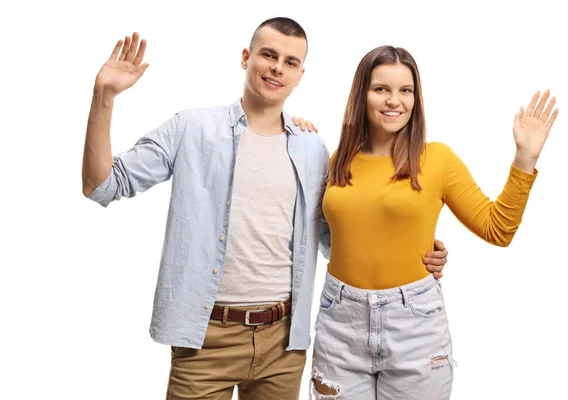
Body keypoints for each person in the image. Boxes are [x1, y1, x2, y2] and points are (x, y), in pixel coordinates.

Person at [81, 18, 451, 399]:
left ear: (299, 75)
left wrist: (416, 247)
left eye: (290, 62)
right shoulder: (191, 129)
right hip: (205, 341)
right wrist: (104, 97)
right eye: (269, 55)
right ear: (246, 57)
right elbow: (102, 185)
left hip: (283, 345)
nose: (278, 67)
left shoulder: (312, 150)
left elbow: (339, 238)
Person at [300, 46, 558, 399]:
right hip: (340, 322)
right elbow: (327, 234)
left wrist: (525, 158)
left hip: (414, 326)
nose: (395, 101)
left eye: (405, 90)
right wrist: (295, 134)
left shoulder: (436, 159)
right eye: (381, 89)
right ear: (361, 94)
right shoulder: (338, 160)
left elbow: (498, 229)